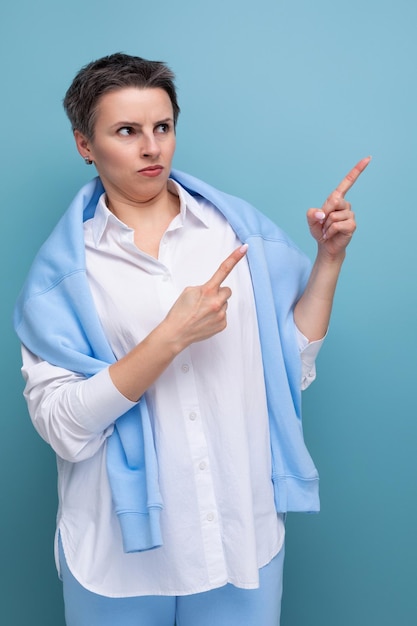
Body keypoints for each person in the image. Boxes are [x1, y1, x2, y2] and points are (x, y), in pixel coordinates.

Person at [14, 52, 370, 626]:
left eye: (163, 127)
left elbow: (290, 363)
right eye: (127, 131)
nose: (152, 148)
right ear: (85, 144)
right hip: (118, 559)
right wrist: (168, 339)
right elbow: (62, 426)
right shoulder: (64, 275)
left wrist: (330, 259)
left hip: (237, 538)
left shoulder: (236, 234)